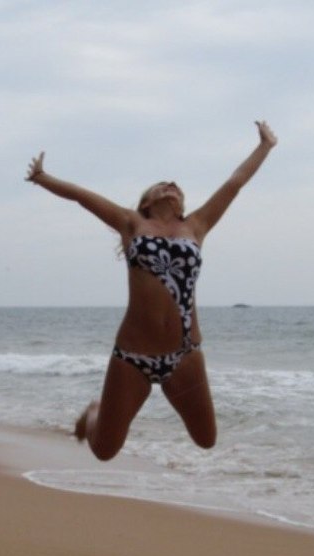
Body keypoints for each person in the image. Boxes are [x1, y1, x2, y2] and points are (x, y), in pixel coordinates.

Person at [26, 120, 277, 461]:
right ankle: (93, 415)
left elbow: (235, 184)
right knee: (104, 451)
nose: (171, 185)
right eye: (163, 185)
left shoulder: (196, 225)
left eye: (176, 187)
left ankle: (106, 412)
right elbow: (82, 197)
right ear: (147, 201)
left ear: (182, 204)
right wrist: (42, 178)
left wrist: (264, 146)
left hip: (184, 355)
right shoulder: (132, 223)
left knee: (206, 440)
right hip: (133, 357)